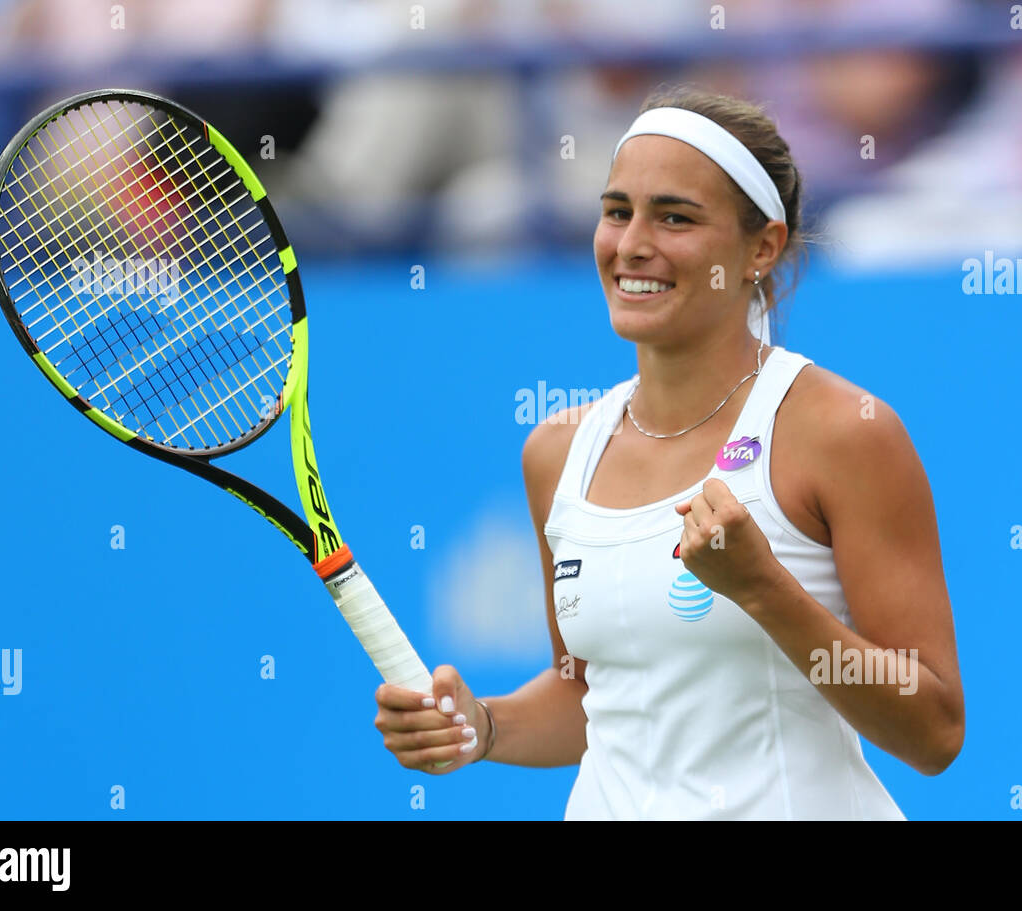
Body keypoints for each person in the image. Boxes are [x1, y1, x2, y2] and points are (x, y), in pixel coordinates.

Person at [373, 84, 965, 820]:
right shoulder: (557, 451)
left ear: (762, 247)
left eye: (674, 217)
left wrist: (763, 589)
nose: (631, 244)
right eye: (617, 211)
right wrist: (482, 724)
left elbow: (935, 730)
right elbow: (587, 691)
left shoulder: (846, 431)